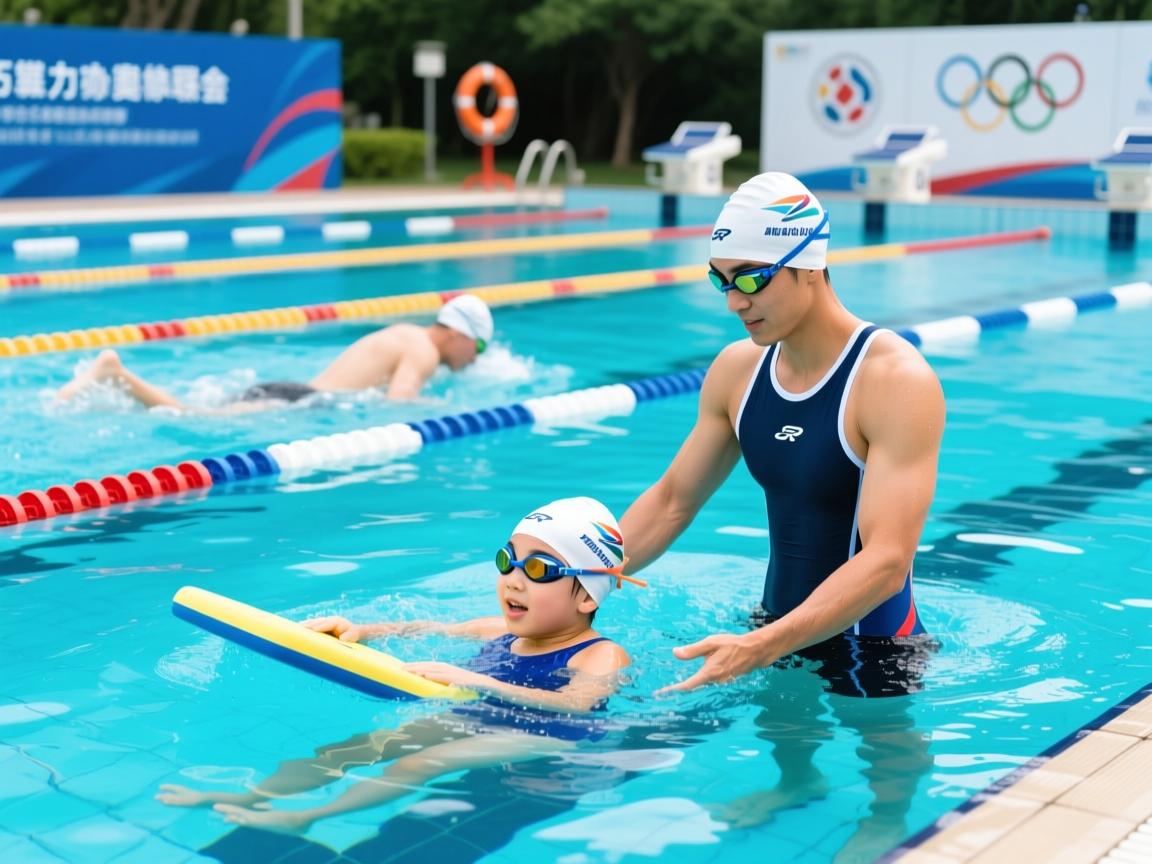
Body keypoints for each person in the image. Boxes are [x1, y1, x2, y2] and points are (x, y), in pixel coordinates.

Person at [619, 173, 944, 858]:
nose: (735, 301)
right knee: (784, 726)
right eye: (721, 280)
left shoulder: (893, 380)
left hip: (874, 639)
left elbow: (887, 562)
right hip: (776, 621)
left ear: (809, 266)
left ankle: (888, 821)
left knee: (885, 749)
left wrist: (763, 646)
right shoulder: (739, 371)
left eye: (752, 278)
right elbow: (674, 499)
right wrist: (578, 569)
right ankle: (796, 783)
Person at [156, 496, 645, 834]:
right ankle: (251, 795)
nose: (514, 580)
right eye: (508, 560)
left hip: (548, 734)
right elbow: (427, 627)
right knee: (362, 745)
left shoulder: (601, 653)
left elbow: (577, 706)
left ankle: (309, 817)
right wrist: (362, 631)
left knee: (421, 760)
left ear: (586, 594)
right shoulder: (497, 628)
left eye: (538, 569)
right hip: (477, 711)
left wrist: (471, 679)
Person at [57, 293, 494, 409]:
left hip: (292, 391)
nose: (474, 360)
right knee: (190, 414)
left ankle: (116, 379)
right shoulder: (424, 352)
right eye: (477, 348)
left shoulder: (407, 332)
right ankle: (116, 372)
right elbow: (399, 403)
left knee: (195, 408)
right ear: (458, 334)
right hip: (298, 400)